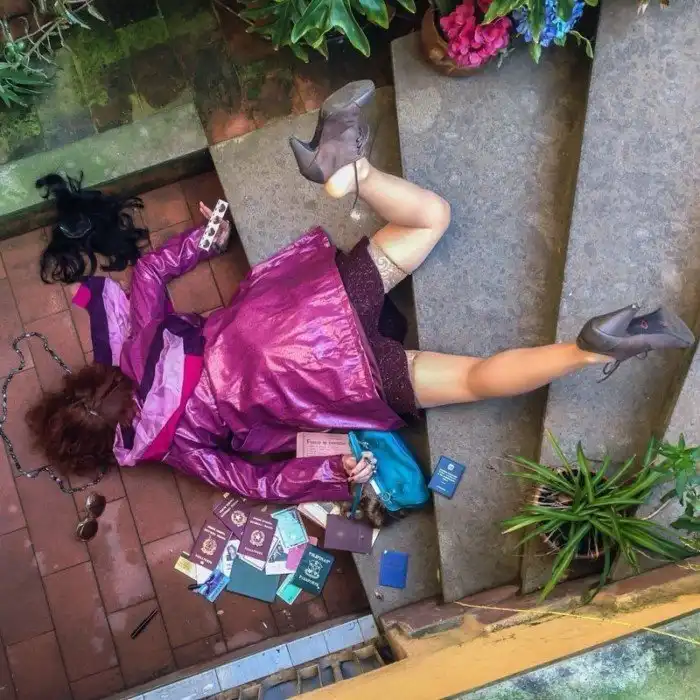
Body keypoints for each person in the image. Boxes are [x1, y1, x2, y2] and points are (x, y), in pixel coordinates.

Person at [26, 80, 695, 512]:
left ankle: (589, 350)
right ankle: (352, 169)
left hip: (332, 380)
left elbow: (256, 481)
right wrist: (205, 240)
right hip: (301, 309)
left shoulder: (172, 448)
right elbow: (147, 275)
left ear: (107, 447)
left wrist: (334, 470)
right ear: (89, 384)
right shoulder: (136, 345)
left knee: (472, 380)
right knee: (431, 219)